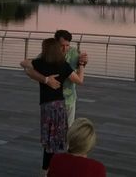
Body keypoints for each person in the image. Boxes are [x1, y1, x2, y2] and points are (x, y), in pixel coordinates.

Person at [20, 38, 85, 176]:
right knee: (60, 139)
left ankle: (46, 171)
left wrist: (45, 79)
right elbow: (79, 80)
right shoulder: (63, 65)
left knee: (50, 142)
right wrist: (82, 65)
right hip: (59, 106)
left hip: (46, 106)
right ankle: (59, 168)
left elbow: (23, 63)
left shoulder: (40, 63)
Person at [24, 30, 88, 126]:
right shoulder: (45, 56)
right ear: (55, 43)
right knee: (52, 130)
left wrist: (83, 62)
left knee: (68, 130)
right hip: (50, 101)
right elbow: (28, 70)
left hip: (69, 99)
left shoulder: (74, 52)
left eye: (67, 45)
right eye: (62, 45)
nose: (65, 49)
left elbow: (80, 72)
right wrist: (46, 80)